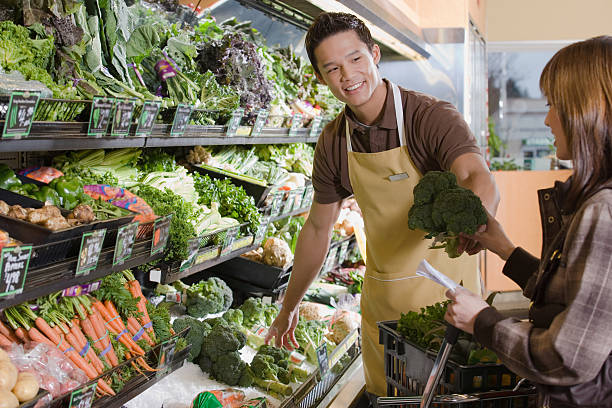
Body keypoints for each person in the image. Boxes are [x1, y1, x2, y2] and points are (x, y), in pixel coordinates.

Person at [263, 12, 499, 397]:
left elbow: (477, 177)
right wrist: (289, 306)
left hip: (449, 305)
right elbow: (318, 229)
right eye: (332, 68)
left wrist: (475, 221)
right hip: (383, 310)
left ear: (375, 55)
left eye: (356, 59)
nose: (348, 75)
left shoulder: (429, 117)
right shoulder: (334, 142)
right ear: (321, 78)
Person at [445, 36, 612, 407]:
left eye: (554, 105)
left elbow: (566, 359)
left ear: (587, 111)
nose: (548, 118)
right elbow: (582, 297)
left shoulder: (603, 210)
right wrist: (504, 248)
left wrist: (482, 321)